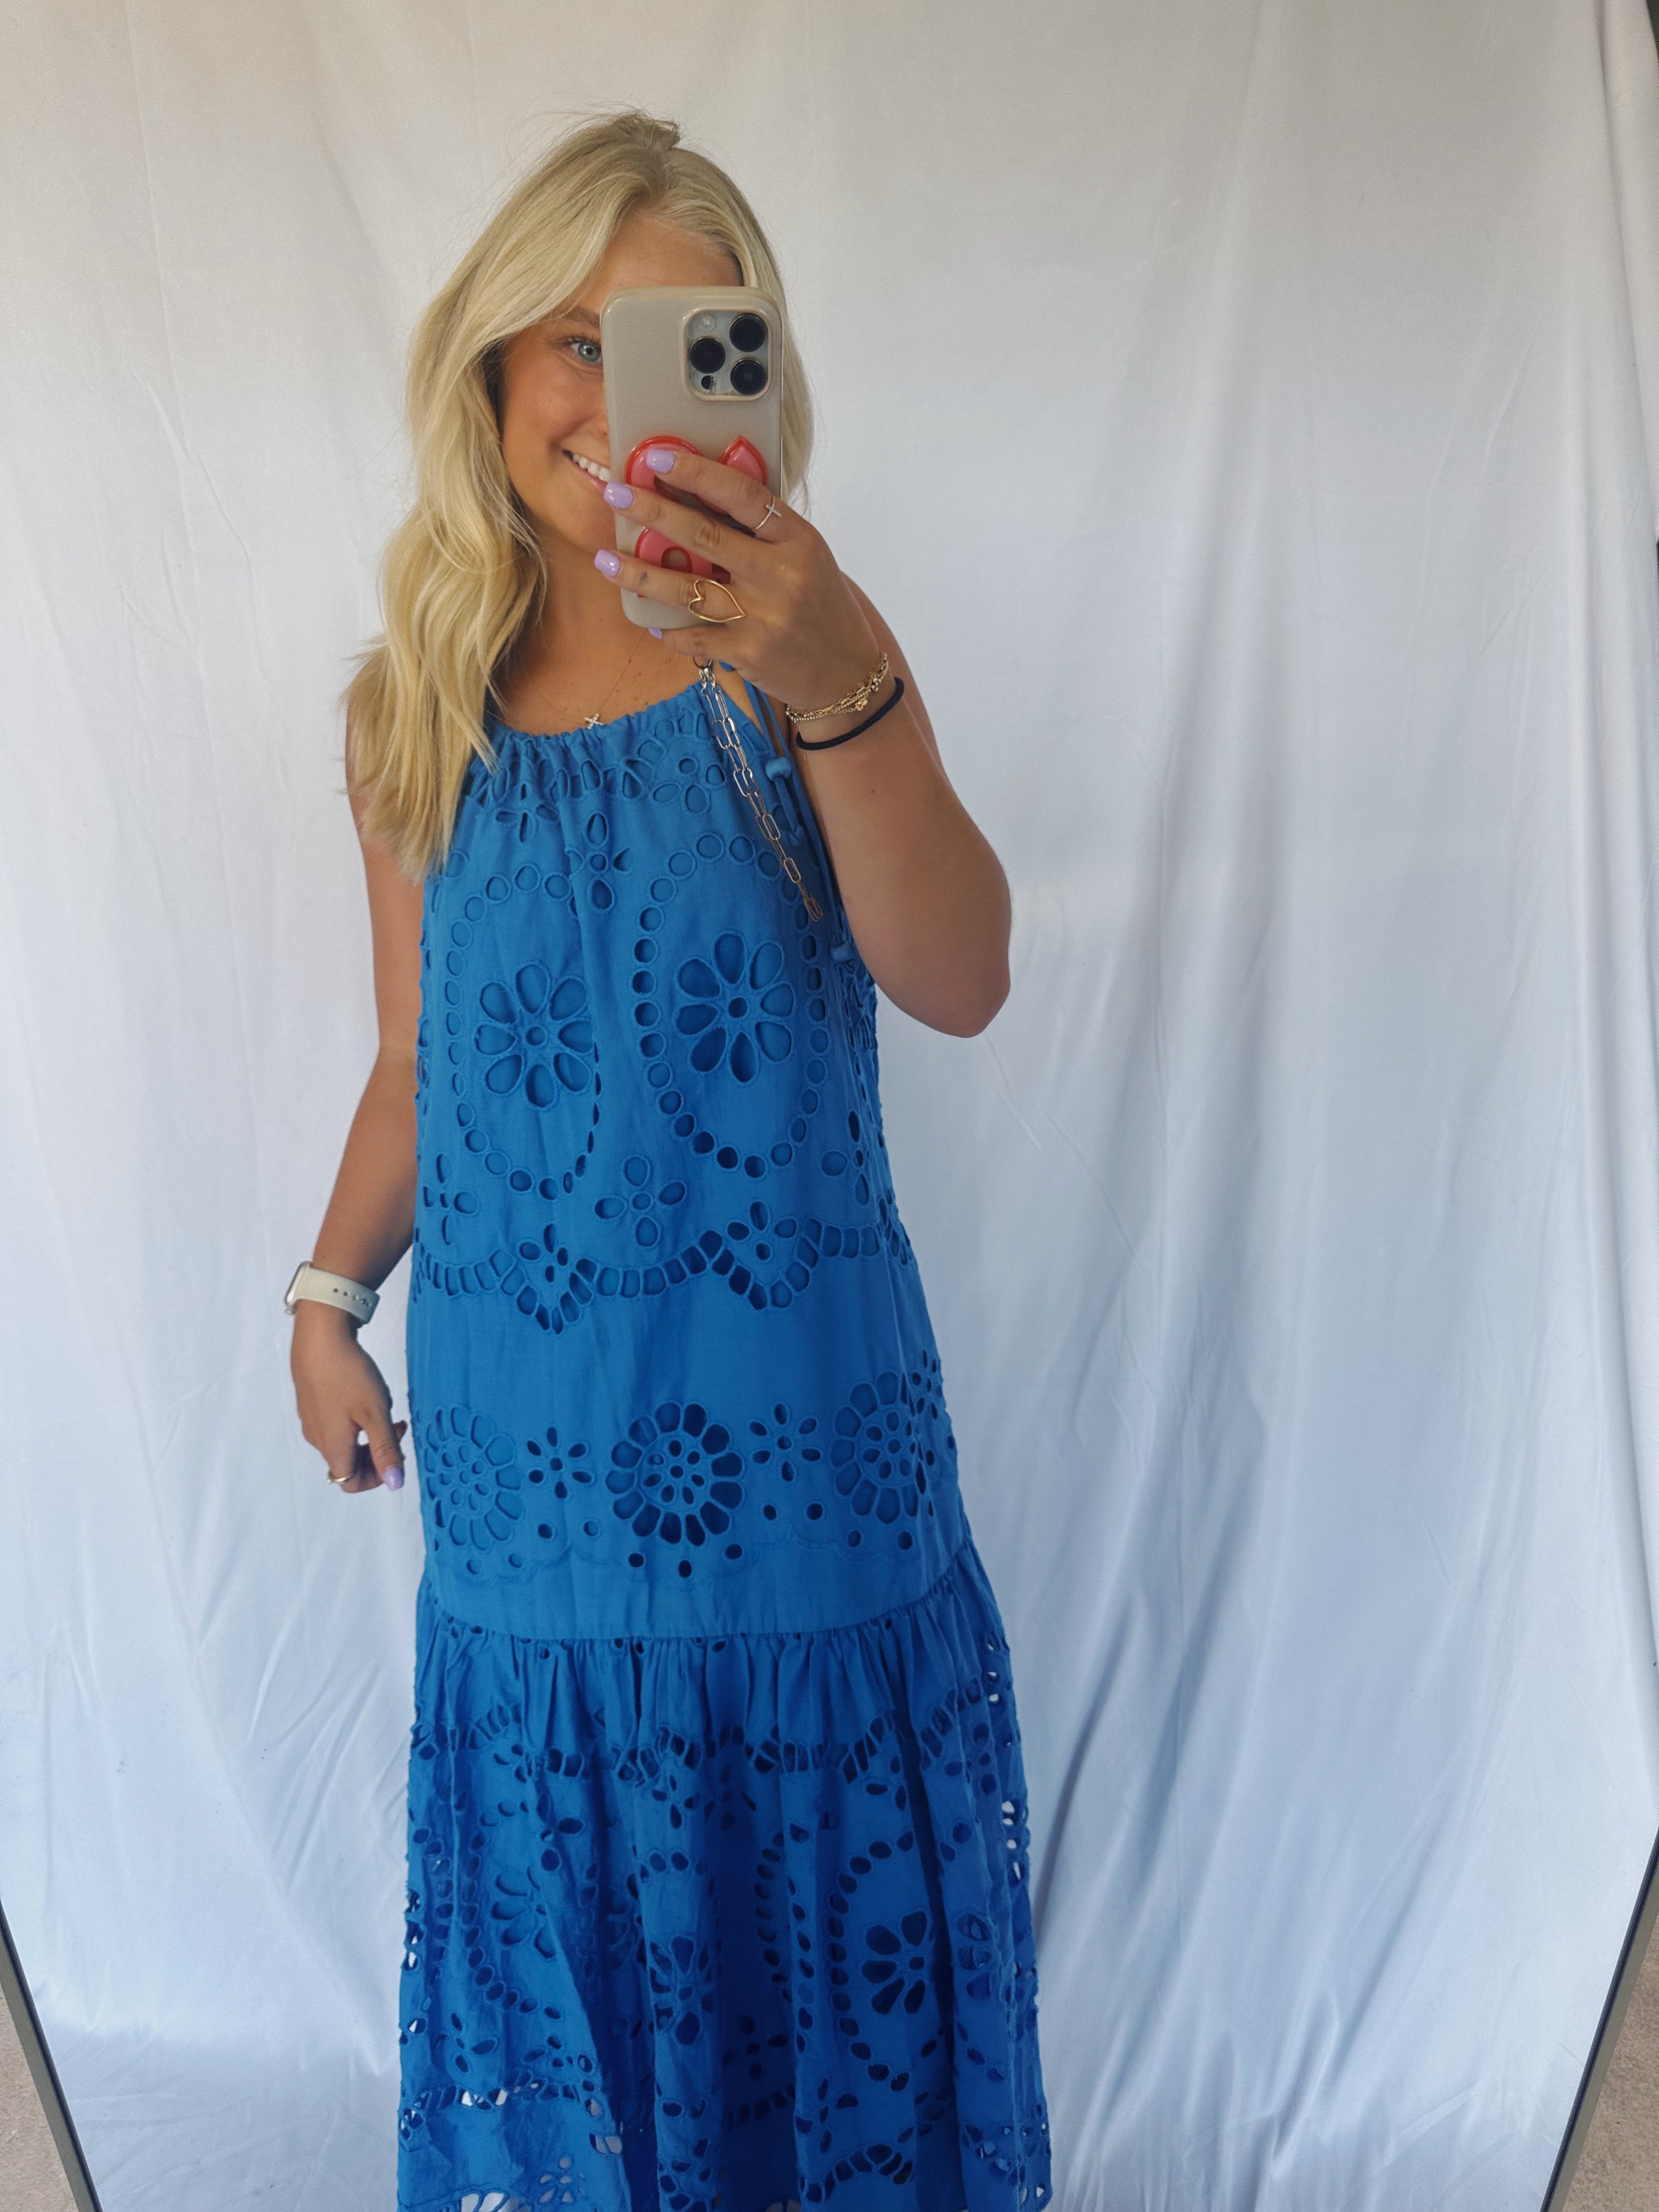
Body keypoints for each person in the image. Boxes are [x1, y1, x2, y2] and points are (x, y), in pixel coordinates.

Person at [287, 109, 1052, 2212]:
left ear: (741, 380)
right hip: (531, 1520)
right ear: (489, 373)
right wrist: (328, 1298)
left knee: (828, 2047)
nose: (600, 398)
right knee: (600, 2066)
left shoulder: (804, 655)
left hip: (802, 1503)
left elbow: (965, 975)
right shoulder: (415, 714)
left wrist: (836, 683)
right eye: (569, 339)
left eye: (667, 346)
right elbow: (415, 1065)